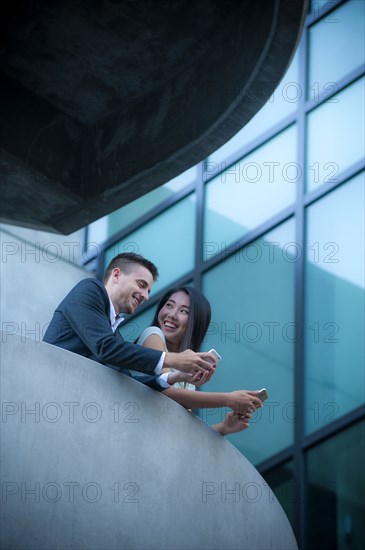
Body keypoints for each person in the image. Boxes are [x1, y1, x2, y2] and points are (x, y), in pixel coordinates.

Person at [43, 253, 216, 392]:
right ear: (116, 275)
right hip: (45, 385)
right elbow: (105, 347)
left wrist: (175, 377)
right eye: (141, 285)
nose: (146, 296)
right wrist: (174, 359)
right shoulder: (90, 289)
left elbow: (130, 382)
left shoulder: (115, 337)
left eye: (148, 291)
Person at [136, 286, 263, 434]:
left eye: (184, 311)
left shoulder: (186, 375)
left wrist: (223, 427)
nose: (172, 314)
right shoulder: (153, 334)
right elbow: (167, 391)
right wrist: (228, 399)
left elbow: (182, 430)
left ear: (196, 323)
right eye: (169, 305)